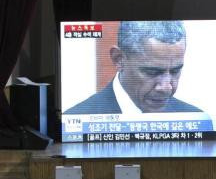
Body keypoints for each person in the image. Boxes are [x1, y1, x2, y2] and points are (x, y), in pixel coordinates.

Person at [64, 21, 206, 119]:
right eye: (152, 72)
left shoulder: (196, 118)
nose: (166, 87)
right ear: (118, 59)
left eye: (175, 71)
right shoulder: (77, 118)